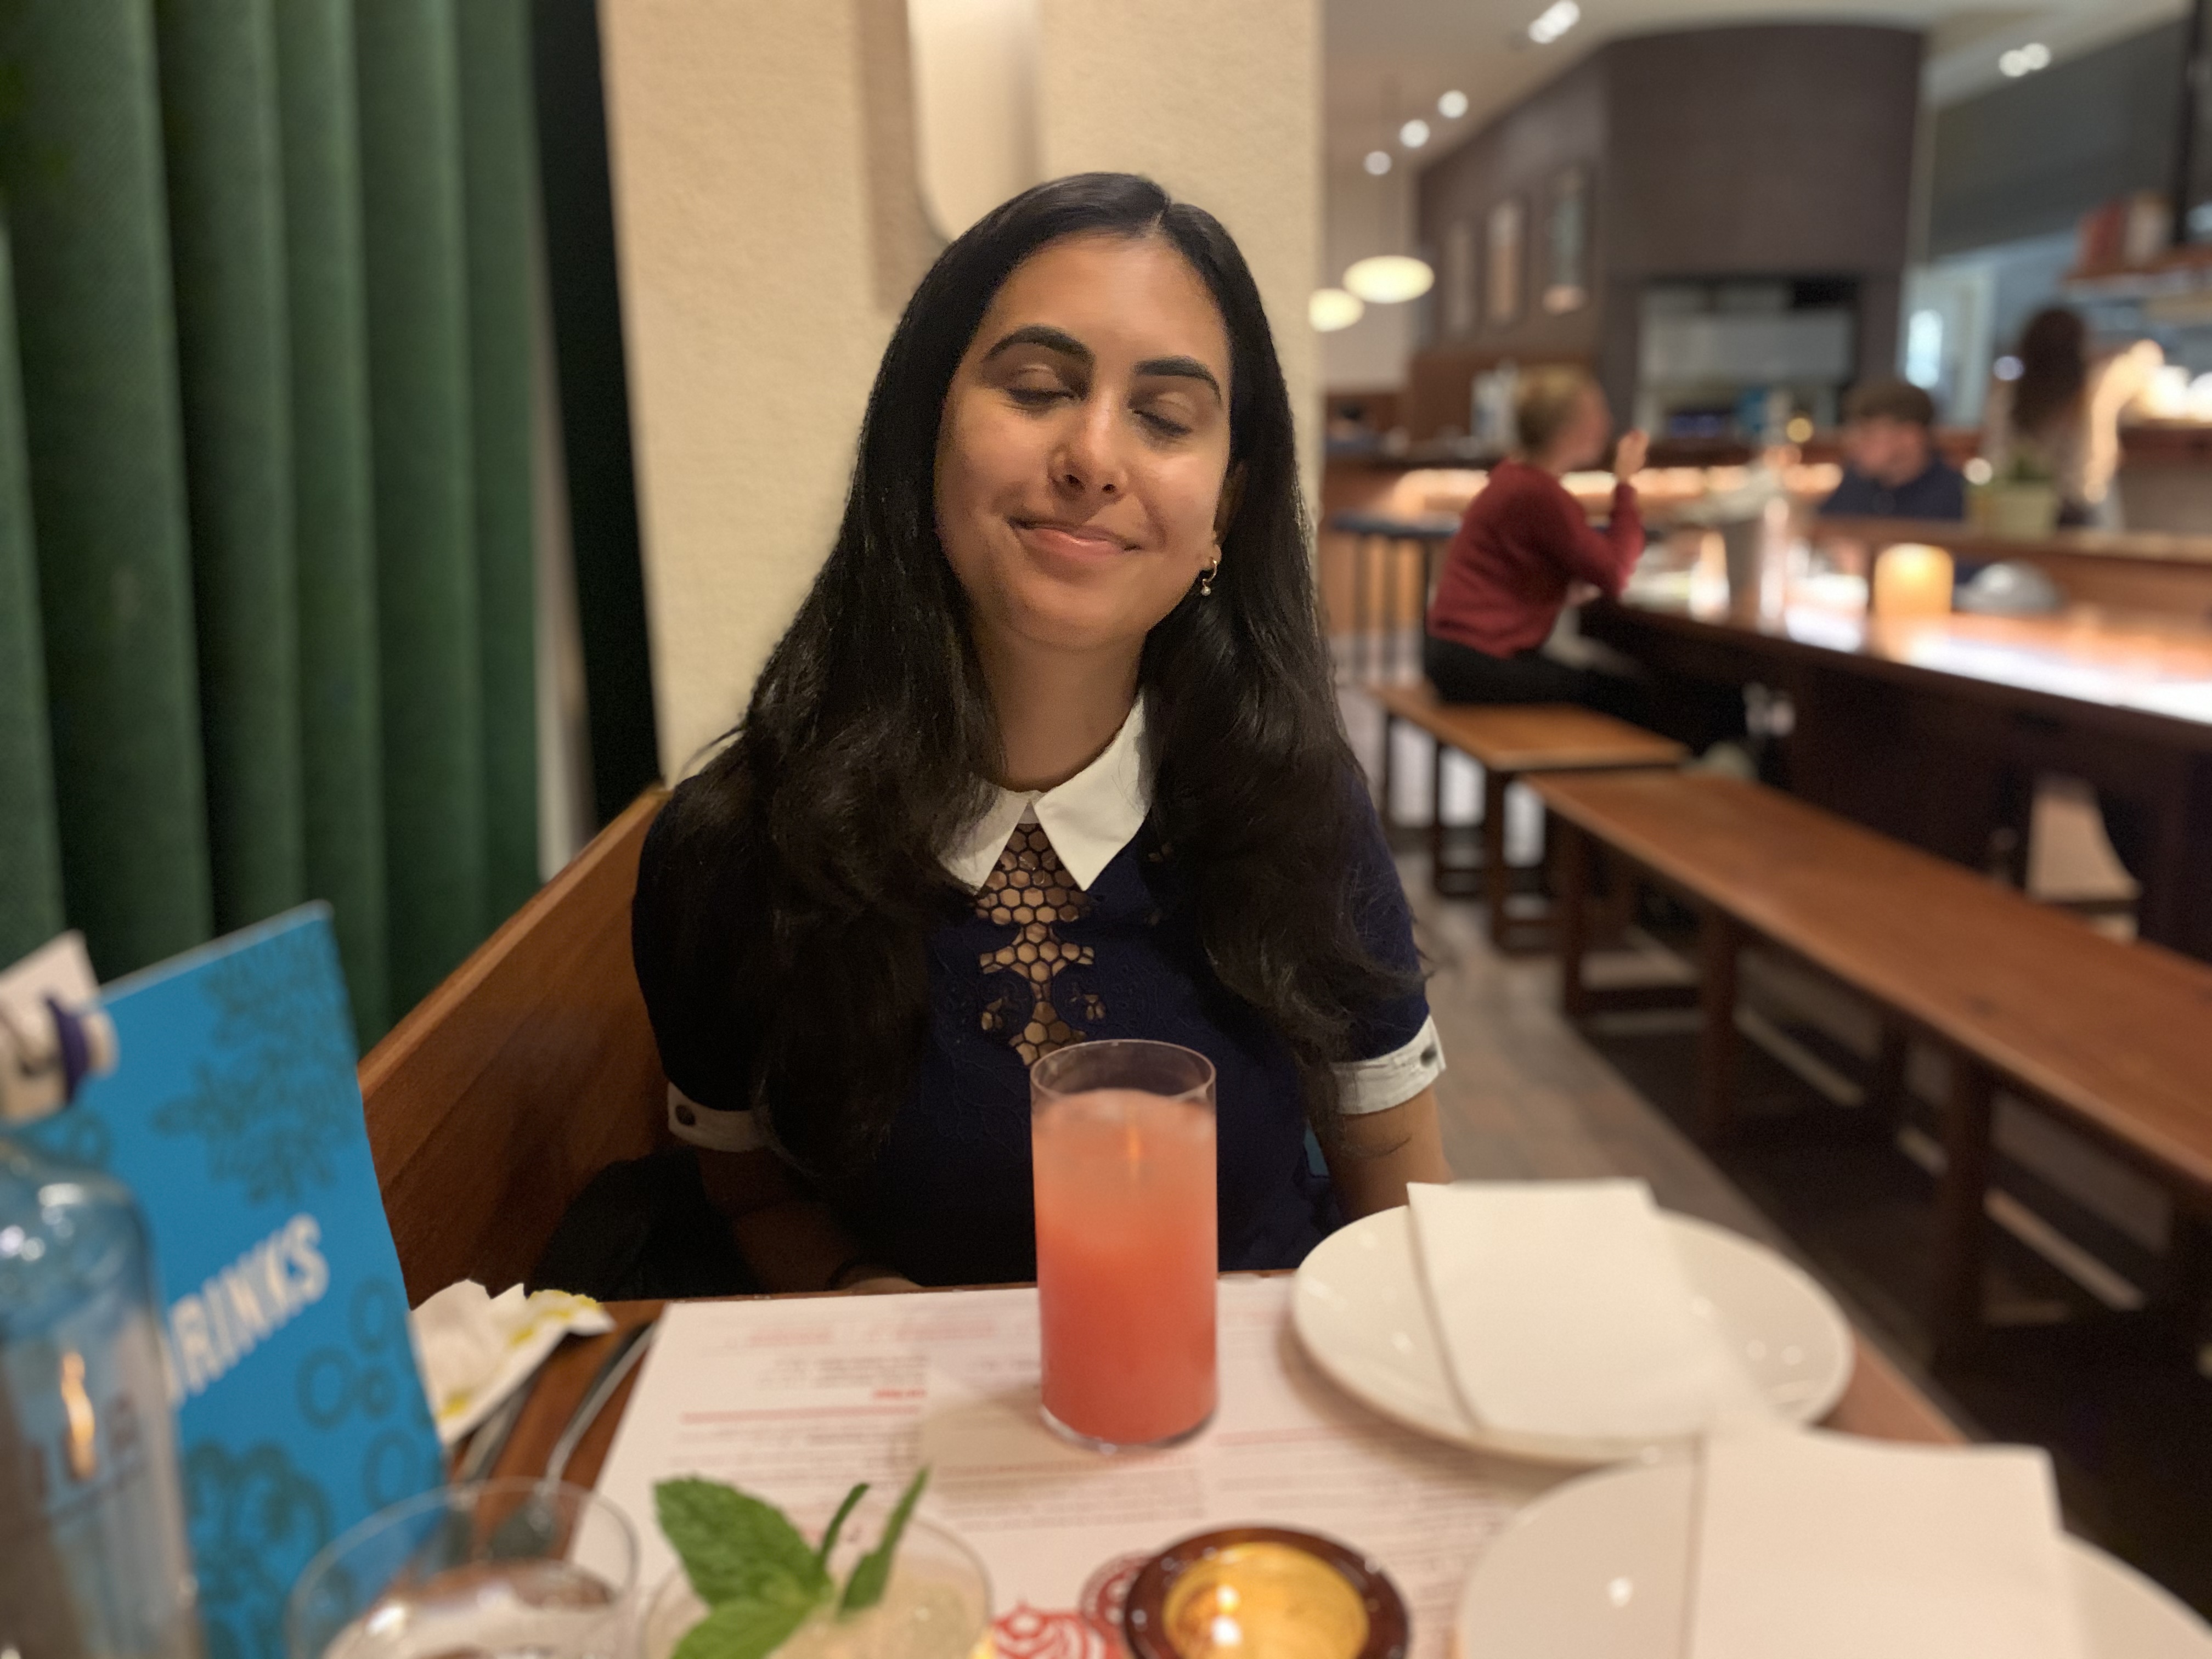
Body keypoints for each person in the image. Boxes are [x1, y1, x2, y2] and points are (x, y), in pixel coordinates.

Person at [631, 174, 1451, 1296]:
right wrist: (853, 1287)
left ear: (1225, 506)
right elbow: (746, 1184)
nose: (1094, 456)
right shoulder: (734, 846)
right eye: (1036, 389)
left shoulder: (1294, 805)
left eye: (1164, 417)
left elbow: (1397, 1181)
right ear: (924, 431)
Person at [1421, 366, 1648, 709]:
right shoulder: (1539, 493)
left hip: (1453, 654)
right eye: (1597, 414)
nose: (1608, 424)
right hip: (1478, 661)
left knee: (1610, 683)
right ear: (1569, 428)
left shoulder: (1513, 478)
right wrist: (1626, 483)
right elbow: (1615, 572)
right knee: (1629, 694)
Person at [1982, 306, 2162, 528]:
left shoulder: (2008, 397)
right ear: (2079, 348)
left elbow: (1995, 458)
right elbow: (2147, 355)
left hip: (2017, 512)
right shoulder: (2095, 391)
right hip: (2082, 512)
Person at [1816, 377, 1965, 520]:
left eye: (1868, 433)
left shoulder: (1958, 497)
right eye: (1852, 432)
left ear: (1910, 437)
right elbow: (1824, 526)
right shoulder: (1854, 483)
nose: (1853, 443)